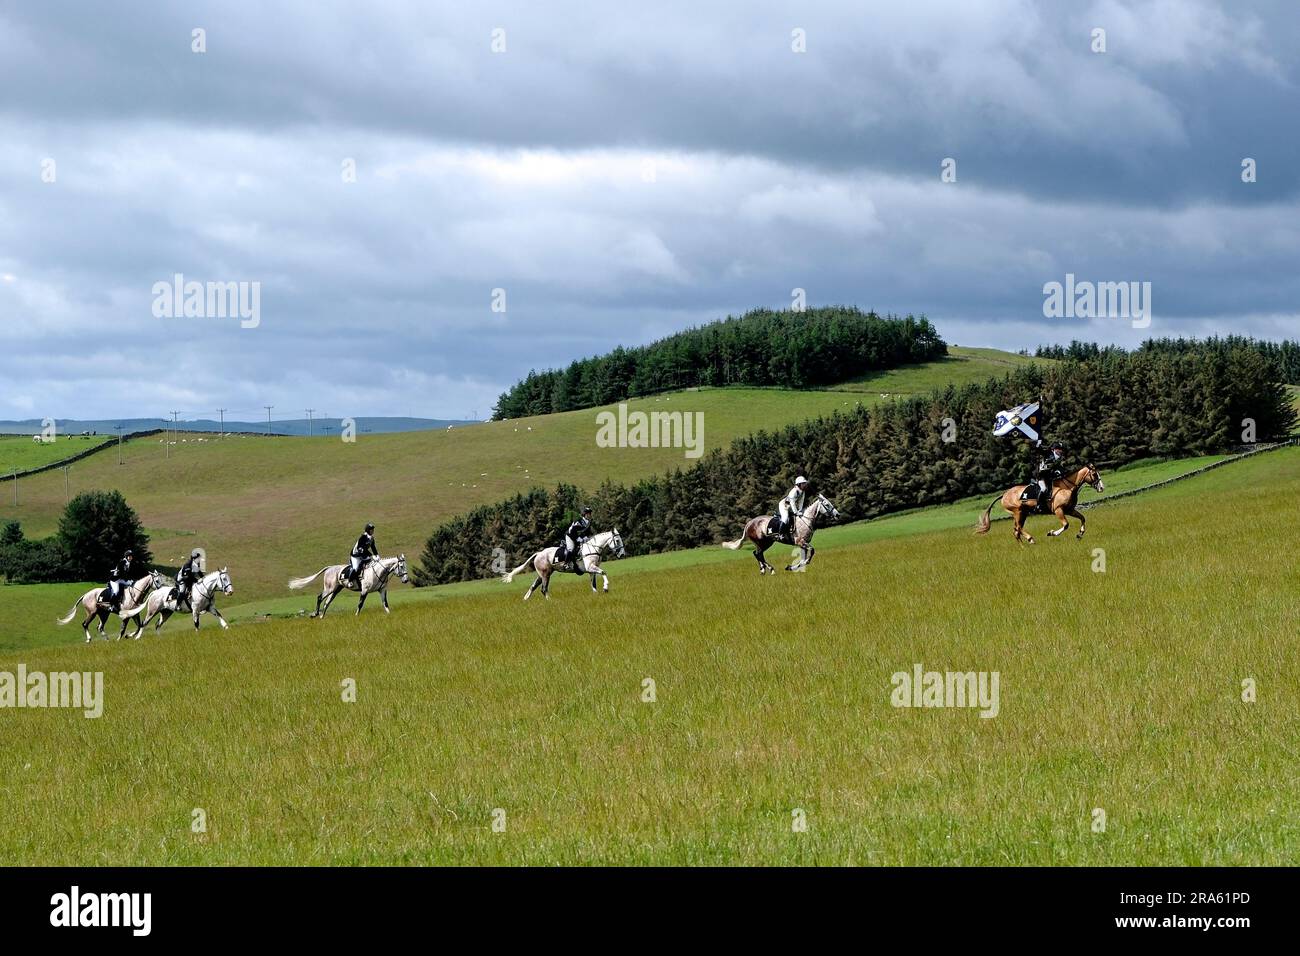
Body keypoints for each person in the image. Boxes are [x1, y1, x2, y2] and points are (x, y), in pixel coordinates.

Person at [1028, 442, 1067, 513]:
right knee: (1044, 488)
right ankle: (1038, 505)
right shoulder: (1047, 453)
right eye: (1059, 449)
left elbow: (1057, 467)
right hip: (1040, 475)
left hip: (1048, 476)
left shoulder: (1059, 457)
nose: (1061, 451)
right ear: (1054, 449)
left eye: (1061, 449)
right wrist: (1038, 444)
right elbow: (1040, 450)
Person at [776, 476, 809, 540]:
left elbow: (801, 502)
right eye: (803, 483)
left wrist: (800, 510)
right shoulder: (793, 492)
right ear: (799, 484)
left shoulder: (803, 492)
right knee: (785, 518)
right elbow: (792, 503)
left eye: (805, 483)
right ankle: (780, 534)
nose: (805, 485)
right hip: (784, 505)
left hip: (790, 506)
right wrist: (796, 512)